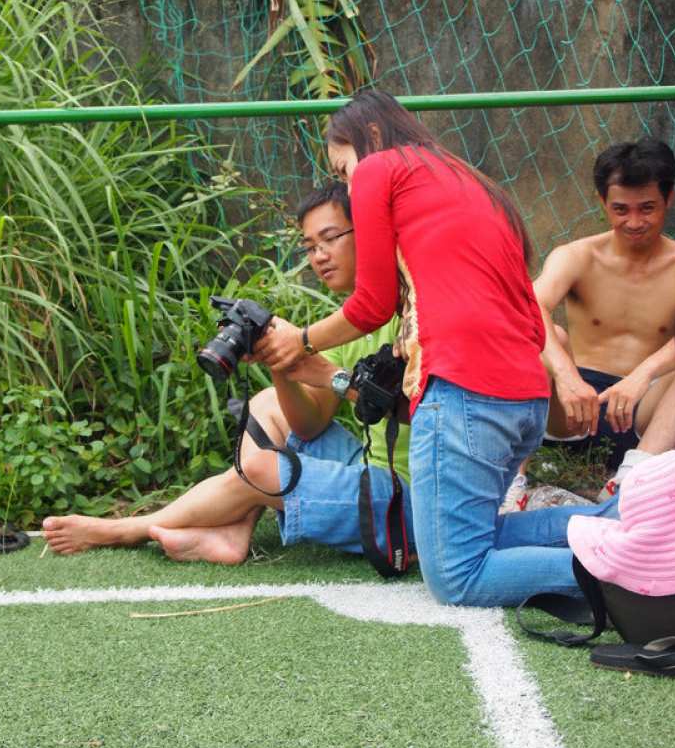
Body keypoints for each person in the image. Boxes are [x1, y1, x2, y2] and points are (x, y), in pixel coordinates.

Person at [255, 89, 618, 608]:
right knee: (478, 541)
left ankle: (626, 573)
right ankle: (619, 527)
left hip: (465, 393)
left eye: (344, 167)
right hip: (523, 398)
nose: (348, 183)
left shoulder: (381, 168)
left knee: (456, 577)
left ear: (373, 137)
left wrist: (301, 339)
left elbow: (372, 304)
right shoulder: (469, 180)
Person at [42, 182, 416, 563]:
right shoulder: (343, 325)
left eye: (330, 238)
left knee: (258, 467)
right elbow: (309, 427)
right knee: (265, 405)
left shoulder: (411, 310)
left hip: (413, 500)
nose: (319, 256)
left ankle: (125, 530)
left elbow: (417, 408)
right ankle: (236, 530)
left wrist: (330, 375)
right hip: (375, 466)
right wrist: (282, 365)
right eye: (309, 247)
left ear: (368, 232)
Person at [503, 137, 675, 510]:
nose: (634, 221)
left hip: (645, 415)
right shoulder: (577, 255)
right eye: (620, 209)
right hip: (572, 411)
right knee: (536, 333)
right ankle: (510, 487)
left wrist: (642, 375)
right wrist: (566, 376)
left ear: (669, 199)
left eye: (647, 208)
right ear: (602, 203)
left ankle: (629, 483)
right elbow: (529, 305)